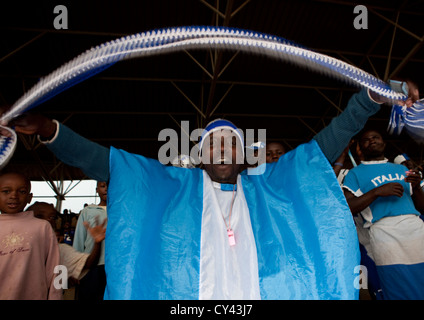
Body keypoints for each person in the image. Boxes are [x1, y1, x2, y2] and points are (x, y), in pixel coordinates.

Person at [1, 88, 394, 299]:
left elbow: (325, 144)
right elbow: (102, 161)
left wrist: (367, 100)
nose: (222, 149)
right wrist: (51, 129)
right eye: (213, 144)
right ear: (200, 156)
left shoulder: (270, 187)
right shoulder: (171, 186)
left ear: (244, 156)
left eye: (231, 143)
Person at [342, 128, 424, 299]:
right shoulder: (354, 174)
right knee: (397, 283)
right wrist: (376, 192)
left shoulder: (401, 169)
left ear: (384, 143)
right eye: (366, 139)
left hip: (415, 227)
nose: (371, 140)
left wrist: (416, 188)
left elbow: (421, 206)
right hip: (384, 231)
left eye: (376, 137)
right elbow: (348, 207)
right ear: (360, 148)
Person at [0, 172, 62, 300]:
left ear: (29, 197)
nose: (14, 196)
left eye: (21, 191)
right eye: (6, 191)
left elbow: (57, 267)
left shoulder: (42, 227)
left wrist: (56, 296)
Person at [29, 201, 106, 299]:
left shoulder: (59, 250)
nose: (46, 221)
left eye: (52, 217)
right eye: (39, 216)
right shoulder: (16, 248)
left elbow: (89, 263)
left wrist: (97, 243)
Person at [72, 181, 107, 300]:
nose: (106, 189)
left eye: (110, 186)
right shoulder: (88, 211)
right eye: (102, 186)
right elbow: (79, 239)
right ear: (97, 190)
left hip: (115, 265)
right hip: (92, 265)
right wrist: (76, 268)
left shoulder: (121, 210)